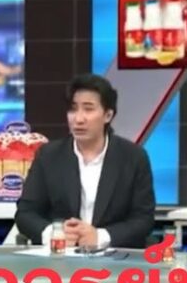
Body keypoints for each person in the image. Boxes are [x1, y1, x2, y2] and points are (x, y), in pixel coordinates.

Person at [14, 74, 156, 250]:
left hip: (114, 258)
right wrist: (54, 233)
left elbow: (143, 219)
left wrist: (100, 237)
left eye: (88, 109)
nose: (78, 119)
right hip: (60, 257)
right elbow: (26, 214)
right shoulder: (48, 155)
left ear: (108, 115)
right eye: (73, 110)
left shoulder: (133, 157)